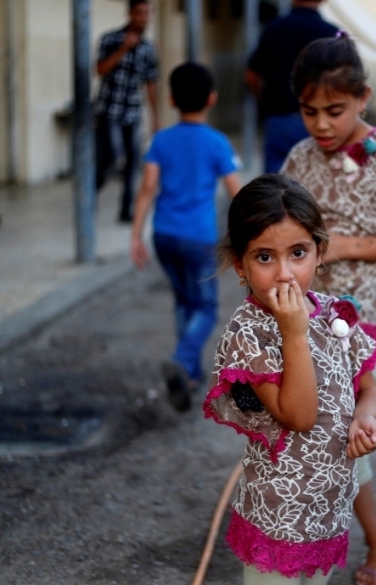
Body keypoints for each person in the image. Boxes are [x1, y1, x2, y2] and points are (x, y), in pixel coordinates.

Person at [281, 34, 376, 585]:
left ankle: (357, 544)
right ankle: (360, 540)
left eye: (335, 111)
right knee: (325, 434)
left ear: (364, 97)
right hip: (304, 318)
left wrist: (347, 246)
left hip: (362, 320)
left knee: (338, 432)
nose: (321, 125)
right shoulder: (298, 158)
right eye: (309, 111)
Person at [203, 174, 376, 584]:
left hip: (329, 504)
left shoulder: (337, 314)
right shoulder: (250, 332)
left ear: (320, 253)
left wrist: (366, 418)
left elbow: (369, 387)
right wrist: (294, 332)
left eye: (298, 253)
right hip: (278, 512)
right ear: (240, 265)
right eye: (265, 257)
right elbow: (299, 416)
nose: (284, 274)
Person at [130, 62, 241, 412]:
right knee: (206, 308)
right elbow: (236, 192)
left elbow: (148, 188)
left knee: (183, 300)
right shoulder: (217, 143)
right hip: (199, 239)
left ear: (172, 99)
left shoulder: (161, 140)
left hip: (164, 235)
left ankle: (189, 374)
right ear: (212, 98)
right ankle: (182, 357)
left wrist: (136, 235)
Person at [245, 0, 337, 173]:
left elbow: (252, 75)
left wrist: (264, 99)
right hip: (319, 121)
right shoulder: (330, 33)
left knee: (275, 190)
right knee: (315, 183)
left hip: (279, 117)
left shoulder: (274, 28)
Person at [95, 0, 160, 222]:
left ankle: (126, 210)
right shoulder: (110, 38)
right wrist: (123, 48)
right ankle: (92, 189)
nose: (144, 17)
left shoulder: (149, 48)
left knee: (133, 162)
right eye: (140, 12)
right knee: (112, 156)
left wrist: (156, 116)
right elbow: (100, 69)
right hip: (109, 110)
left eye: (147, 13)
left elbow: (151, 82)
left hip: (132, 112)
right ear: (129, 13)